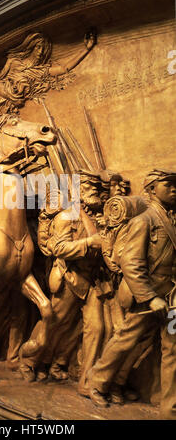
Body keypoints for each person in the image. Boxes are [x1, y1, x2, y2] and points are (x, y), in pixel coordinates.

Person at [88, 169, 176, 419]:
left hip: (171, 300)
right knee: (126, 339)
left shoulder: (172, 220)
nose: (173, 188)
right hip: (148, 299)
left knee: (173, 349)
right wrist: (149, 297)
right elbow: (131, 263)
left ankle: (170, 411)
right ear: (151, 189)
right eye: (167, 184)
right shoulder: (144, 221)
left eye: (175, 184)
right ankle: (98, 383)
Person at [19, 171, 104, 381]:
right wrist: (87, 243)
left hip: (92, 281)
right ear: (77, 190)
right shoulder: (67, 216)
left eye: (97, 187)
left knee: (87, 328)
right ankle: (28, 362)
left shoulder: (97, 217)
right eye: (88, 186)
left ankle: (63, 366)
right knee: (54, 324)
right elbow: (59, 248)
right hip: (69, 279)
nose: (94, 190)